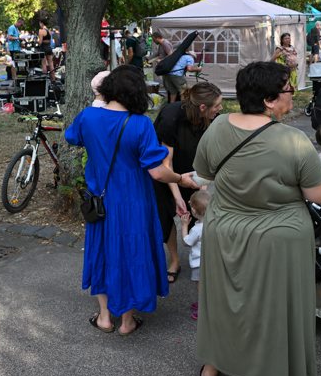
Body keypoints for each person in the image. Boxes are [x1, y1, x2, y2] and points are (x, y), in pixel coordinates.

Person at [193, 61, 321, 376]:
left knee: (221, 304)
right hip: (278, 236)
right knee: (271, 312)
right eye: (287, 90)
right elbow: (319, 194)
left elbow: (205, 173)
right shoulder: (293, 140)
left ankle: (211, 369)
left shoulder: (218, 126)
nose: (292, 95)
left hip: (224, 230)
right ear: (269, 100)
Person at [64, 66, 199, 336]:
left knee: (102, 251)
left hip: (100, 201)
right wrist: (182, 180)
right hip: (134, 202)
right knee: (131, 255)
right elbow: (157, 170)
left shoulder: (88, 116)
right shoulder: (140, 124)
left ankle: (104, 316)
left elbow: (72, 137)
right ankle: (127, 320)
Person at [153, 82, 223, 284]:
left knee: (199, 216)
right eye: (217, 105)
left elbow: (209, 155)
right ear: (203, 107)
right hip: (168, 173)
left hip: (195, 172)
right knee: (166, 216)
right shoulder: (171, 116)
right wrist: (177, 197)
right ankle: (174, 260)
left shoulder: (213, 120)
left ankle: (202, 263)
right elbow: (166, 162)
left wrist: (202, 187)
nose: (220, 109)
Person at [180, 190, 209, 321]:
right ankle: (207, 305)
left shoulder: (196, 229)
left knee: (200, 287)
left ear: (194, 212)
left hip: (199, 263)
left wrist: (184, 225)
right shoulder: (213, 224)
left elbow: (187, 242)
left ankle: (204, 309)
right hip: (211, 261)